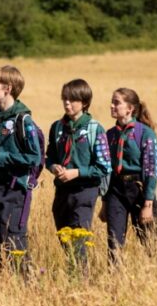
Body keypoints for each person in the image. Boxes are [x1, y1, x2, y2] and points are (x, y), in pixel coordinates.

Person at [46, 79, 111, 275]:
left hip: (84, 191)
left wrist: (77, 172)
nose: (67, 103)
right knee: (64, 235)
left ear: (84, 102)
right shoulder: (57, 127)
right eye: (64, 99)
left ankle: (81, 277)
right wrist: (53, 167)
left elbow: (104, 166)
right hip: (62, 191)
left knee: (79, 236)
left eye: (72, 99)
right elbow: (49, 157)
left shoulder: (94, 129)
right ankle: (72, 270)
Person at [0, 65, 42, 273]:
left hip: (15, 188)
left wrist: (2, 156)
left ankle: (24, 281)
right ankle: (1, 281)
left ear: (7, 88)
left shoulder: (23, 120)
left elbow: (34, 157)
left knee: (13, 237)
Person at [99, 87, 157, 264]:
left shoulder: (145, 134)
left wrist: (148, 203)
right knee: (114, 243)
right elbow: (106, 170)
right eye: (112, 101)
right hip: (116, 191)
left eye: (116, 102)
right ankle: (115, 283)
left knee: (148, 241)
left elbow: (151, 169)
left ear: (130, 108)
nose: (112, 105)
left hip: (140, 190)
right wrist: (104, 202)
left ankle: (154, 279)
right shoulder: (109, 135)